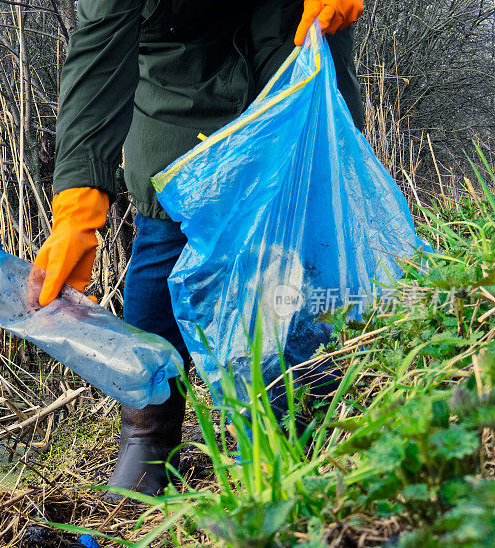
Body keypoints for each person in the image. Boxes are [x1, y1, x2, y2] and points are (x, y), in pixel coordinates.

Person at [34, 0, 365, 496]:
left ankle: (290, 434)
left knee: (293, 253)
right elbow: (99, 48)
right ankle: (147, 439)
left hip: (295, 59)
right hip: (179, 87)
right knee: (164, 246)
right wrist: (78, 203)